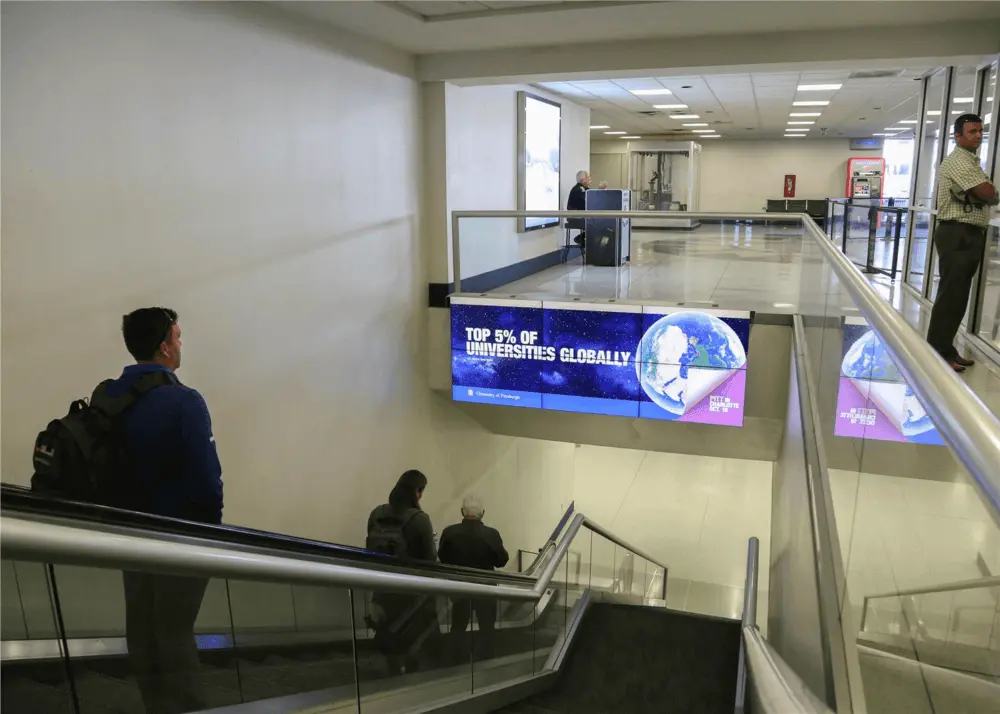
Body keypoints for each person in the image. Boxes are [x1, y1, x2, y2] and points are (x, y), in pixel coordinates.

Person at [115, 307, 223, 714]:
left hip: (128, 537)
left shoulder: (112, 397)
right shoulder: (184, 402)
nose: (180, 344)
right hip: (179, 539)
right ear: (164, 347)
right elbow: (207, 484)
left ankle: (155, 707)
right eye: (177, 337)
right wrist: (213, 535)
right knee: (175, 631)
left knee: (143, 630)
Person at [926, 114, 999, 372]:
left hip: (967, 233)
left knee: (958, 297)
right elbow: (989, 194)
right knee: (950, 296)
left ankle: (947, 349)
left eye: (980, 131)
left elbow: (988, 193)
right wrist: (985, 190)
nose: (978, 135)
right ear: (958, 136)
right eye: (972, 132)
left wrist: (985, 190)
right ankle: (937, 352)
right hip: (957, 233)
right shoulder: (958, 161)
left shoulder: (971, 162)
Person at [366, 470, 440, 674]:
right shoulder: (419, 519)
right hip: (410, 595)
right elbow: (430, 559)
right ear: (417, 492)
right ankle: (410, 680)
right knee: (411, 641)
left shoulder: (377, 514)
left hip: (382, 589)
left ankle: (392, 675)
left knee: (389, 637)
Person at [438, 495, 509, 660]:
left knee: (458, 624)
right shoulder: (491, 534)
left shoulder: (449, 532)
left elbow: (442, 558)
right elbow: (501, 561)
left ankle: (454, 659)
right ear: (482, 513)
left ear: (462, 512)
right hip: (485, 589)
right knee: (486, 627)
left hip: (459, 588)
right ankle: (484, 659)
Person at [567, 170, 591, 258]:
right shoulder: (579, 189)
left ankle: (585, 239)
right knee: (596, 223)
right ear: (582, 180)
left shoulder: (583, 189)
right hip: (576, 217)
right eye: (588, 178)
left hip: (580, 216)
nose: (589, 180)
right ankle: (582, 238)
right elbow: (586, 202)